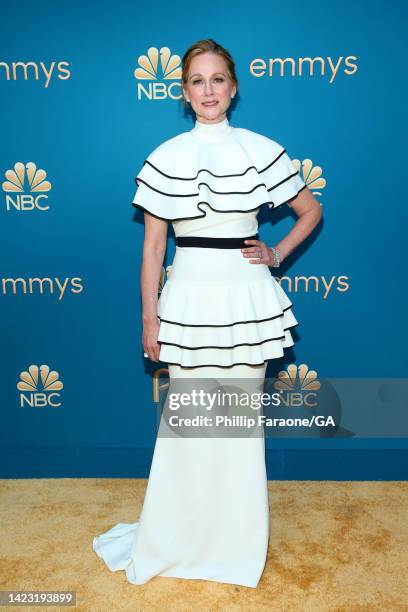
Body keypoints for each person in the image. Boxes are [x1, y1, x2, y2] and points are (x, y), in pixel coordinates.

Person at [92, 38, 322, 588]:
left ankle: (235, 545)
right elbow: (152, 250)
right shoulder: (166, 156)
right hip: (188, 297)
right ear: (185, 92)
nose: (209, 90)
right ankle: (178, 538)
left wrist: (278, 252)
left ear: (233, 87)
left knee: (238, 427)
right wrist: (150, 320)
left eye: (218, 79)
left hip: (246, 298)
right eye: (198, 81)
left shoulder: (261, 148)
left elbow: (310, 210)